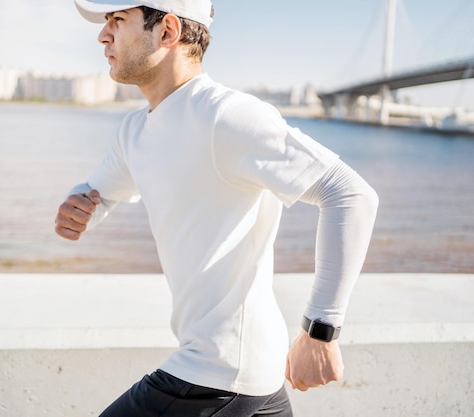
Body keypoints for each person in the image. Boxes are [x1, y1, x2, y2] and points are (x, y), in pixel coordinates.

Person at [55, 0, 379, 415]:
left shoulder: (228, 116)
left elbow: (350, 194)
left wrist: (320, 332)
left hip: (217, 375)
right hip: (244, 379)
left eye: (118, 21)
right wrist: (80, 208)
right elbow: (100, 191)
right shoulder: (135, 130)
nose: (103, 35)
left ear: (168, 31)